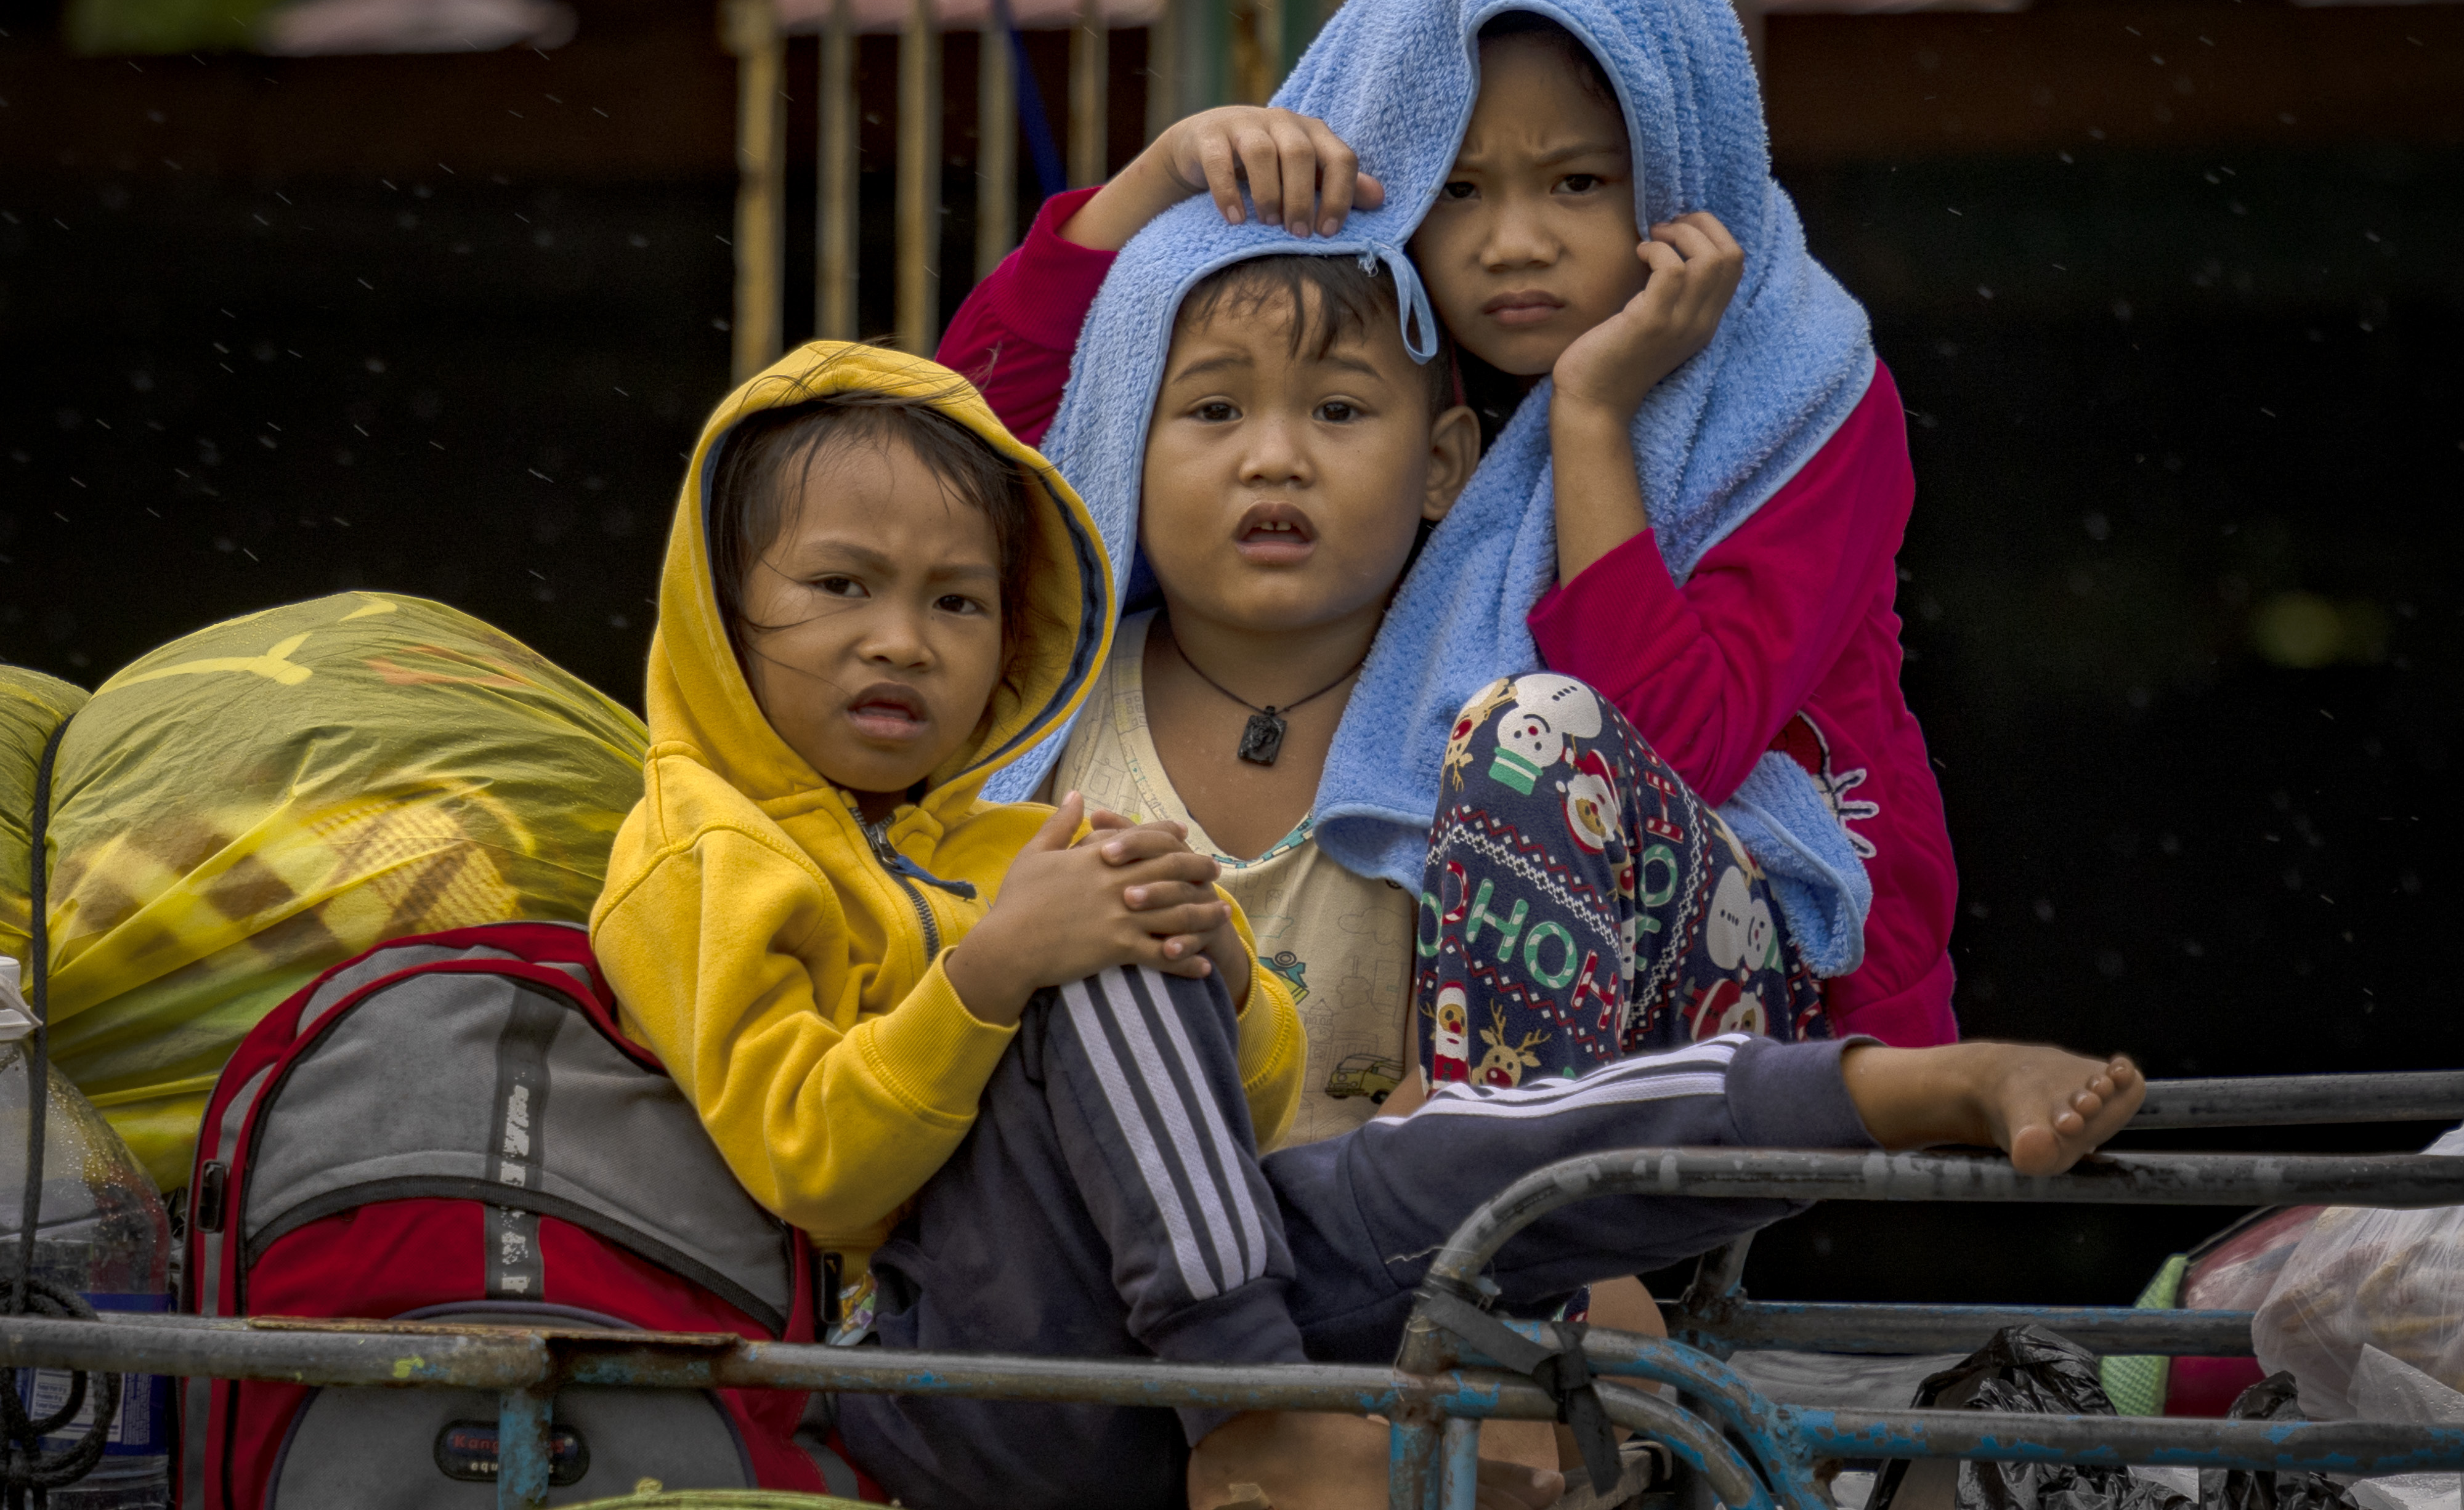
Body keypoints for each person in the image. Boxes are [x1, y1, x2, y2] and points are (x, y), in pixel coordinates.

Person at [593, 338, 2147, 1510]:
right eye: (840, 587)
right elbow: (809, 1157)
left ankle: (1885, 1092)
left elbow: (1246, 1099)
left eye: (953, 601)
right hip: (976, 1373)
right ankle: (1258, 1405)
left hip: (1166, 1318)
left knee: (1462, 1164)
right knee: (1095, 963)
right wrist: (999, 965)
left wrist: (1221, 967)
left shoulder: (1007, 829)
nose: (900, 639)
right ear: (724, 619)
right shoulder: (701, 849)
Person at [943, 0, 1957, 1051]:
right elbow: (968, 468)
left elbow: (1676, 746)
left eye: (1576, 182)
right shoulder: (1393, 331)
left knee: (1534, 738)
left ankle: (1442, 1176)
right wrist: (1156, 185)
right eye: (1461, 189)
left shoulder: (1801, 393)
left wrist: (1591, 417)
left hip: (1772, 982)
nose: (1513, 241)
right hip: (1395, 1022)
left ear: (1679, 162)